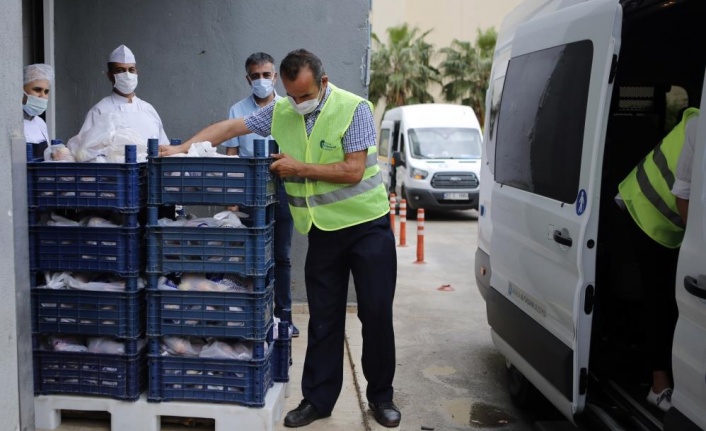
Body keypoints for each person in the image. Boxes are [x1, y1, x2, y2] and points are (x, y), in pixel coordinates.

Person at [160, 49, 400, 428]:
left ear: (323, 82)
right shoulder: (281, 111)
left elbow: (353, 170)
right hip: (322, 231)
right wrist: (180, 148)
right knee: (323, 319)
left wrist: (298, 168)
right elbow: (229, 128)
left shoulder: (354, 108)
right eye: (292, 94)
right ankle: (317, 400)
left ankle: (381, 397)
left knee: (375, 313)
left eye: (305, 95)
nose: (298, 102)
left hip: (367, 227)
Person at [616, 107, 699, 412]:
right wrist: (698, 249)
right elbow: (683, 195)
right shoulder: (699, 129)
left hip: (670, 220)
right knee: (660, 297)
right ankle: (658, 385)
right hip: (644, 205)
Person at [223, 52, 298, 337]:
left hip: (283, 185)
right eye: (255, 76)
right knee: (252, 253)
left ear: (275, 77)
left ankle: (284, 317)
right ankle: (254, 315)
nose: (261, 80)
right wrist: (232, 197)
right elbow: (231, 153)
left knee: (281, 255)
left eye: (266, 75)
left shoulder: (289, 108)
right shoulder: (237, 110)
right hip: (249, 188)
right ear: (248, 79)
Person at [79, 44, 169, 145]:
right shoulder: (99, 111)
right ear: (110, 76)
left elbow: (164, 148)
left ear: (137, 73)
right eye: (120, 70)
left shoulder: (148, 110)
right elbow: (83, 150)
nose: (127, 75)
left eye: (131, 70)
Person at [23, 63, 54, 157]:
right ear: (22, 91)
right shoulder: (10, 123)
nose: (42, 96)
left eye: (46, 91)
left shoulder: (40, 123)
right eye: (37, 90)